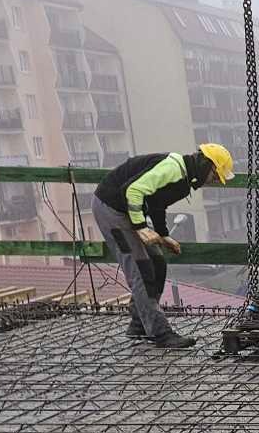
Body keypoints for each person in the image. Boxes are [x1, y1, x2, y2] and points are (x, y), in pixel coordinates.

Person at [91, 144, 235, 349]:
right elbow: (133, 191)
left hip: (126, 211)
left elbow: (158, 203)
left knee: (157, 262)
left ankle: (139, 323)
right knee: (141, 270)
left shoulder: (184, 180)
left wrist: (163, 235)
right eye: (214, 176)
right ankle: (160, 333)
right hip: (111, 209)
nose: (210, 182)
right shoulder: (173, 169)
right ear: (206, 165)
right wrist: (140, 227)